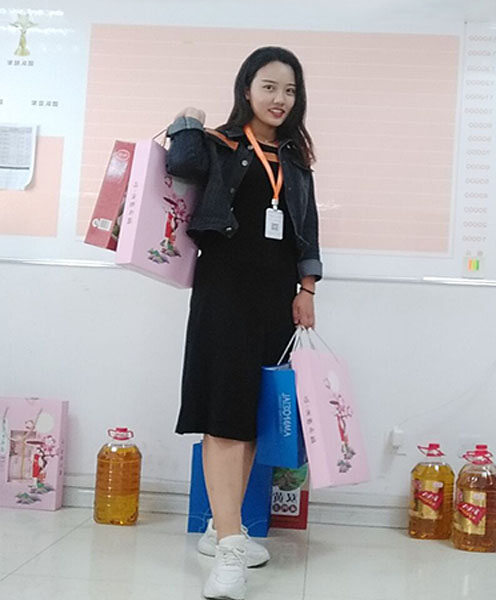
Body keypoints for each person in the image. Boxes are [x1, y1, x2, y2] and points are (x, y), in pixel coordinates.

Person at [165, 46, 322, 600]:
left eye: (290, 90)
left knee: (251, 416)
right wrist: (187, 119)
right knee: (223, 415)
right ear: (247, 89)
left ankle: (219, 526)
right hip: (224, 292)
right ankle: (232, 545)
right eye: (269, 87)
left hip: (274, 299)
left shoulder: (296, 160)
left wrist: (307, 288)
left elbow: (307, 227)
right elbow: (180, 166)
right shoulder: (220, 145)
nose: (280, 99)